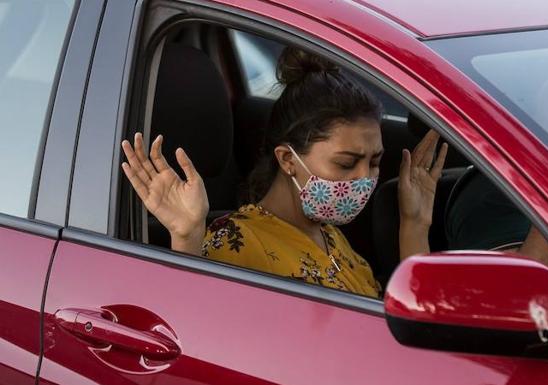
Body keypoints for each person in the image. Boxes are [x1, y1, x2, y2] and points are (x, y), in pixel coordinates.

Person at [121, 47, 447, 298]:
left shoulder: (331, 238)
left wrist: (415, 224)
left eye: (374, 162)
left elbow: (403, 327)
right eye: (346, 163)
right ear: (288, 159)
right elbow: (196, 327)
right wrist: (187, 237)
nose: (363, 178)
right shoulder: (237, 241)